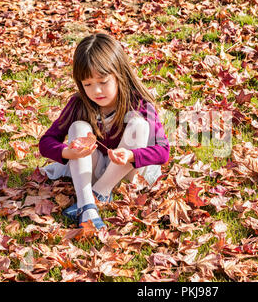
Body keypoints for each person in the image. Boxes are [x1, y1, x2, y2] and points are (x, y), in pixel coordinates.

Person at [38, 33, 170, 230]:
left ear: (119, 74)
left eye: (103, 81)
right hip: (89, 168)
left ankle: (100, 192)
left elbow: (163, 151)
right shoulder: (78, 104)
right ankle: (86, 204)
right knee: (78, 127)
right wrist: (68, 152)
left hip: (124, 172)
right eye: (88, 84)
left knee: (139, 125)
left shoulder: (139, 103)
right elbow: (46, 141)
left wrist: (132, 155)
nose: (96, 91)